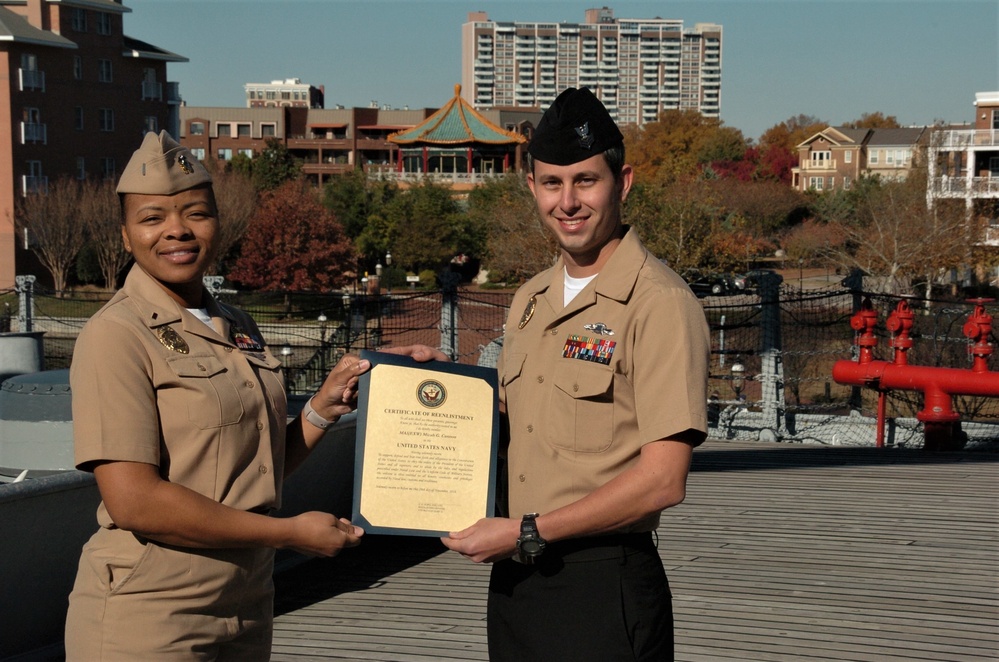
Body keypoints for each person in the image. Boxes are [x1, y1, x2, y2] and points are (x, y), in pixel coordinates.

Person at [64, 131, 444, 660]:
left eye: (196, 213)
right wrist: (286, 534)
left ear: (218, 223)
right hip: (149, 611)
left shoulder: (237, 324)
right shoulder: (116, 335)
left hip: (246, 601)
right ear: (126, 237)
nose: (177, 229)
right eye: (152, 218)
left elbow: (252, 467)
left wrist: (322, 408)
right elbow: (134, 501)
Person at [441, 88, 710, 660]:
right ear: (532, 187)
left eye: (585, 181)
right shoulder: (531, 299)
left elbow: (663, 481)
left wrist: (527, 531)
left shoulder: (658, 302)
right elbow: (515, 425)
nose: (567, 202)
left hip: (601, 583)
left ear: (623, 182)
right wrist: (433, 390)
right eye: (552, 183)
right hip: (517, 580)